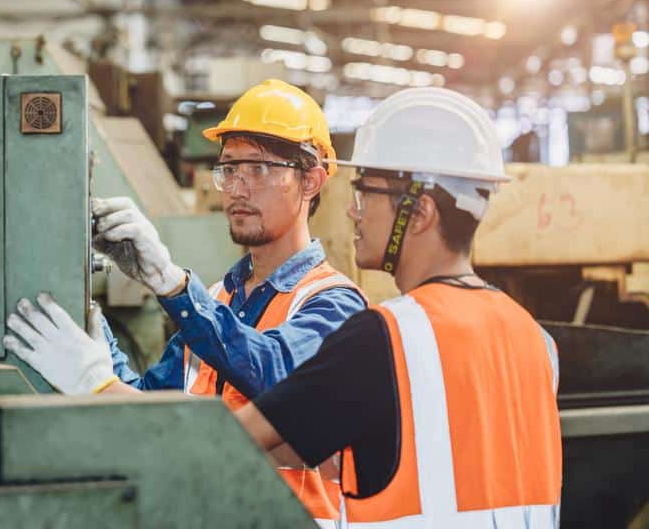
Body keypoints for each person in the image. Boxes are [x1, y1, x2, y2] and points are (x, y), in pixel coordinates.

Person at [5, 79, 367, 526]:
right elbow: (154, 408)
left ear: (310, 179)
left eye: (258, 169)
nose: (236, 188)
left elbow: (280, 381)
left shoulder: (334, 306)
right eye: (229, 169)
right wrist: (100, 352)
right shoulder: (218, 301)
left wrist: (172, 285)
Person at [234, 87, 562, 527]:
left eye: (366, 193)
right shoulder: (537, 340)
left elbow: (236, 438)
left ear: (420, 212)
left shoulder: (384, 337)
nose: (354, 213)